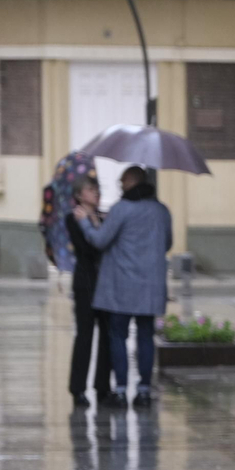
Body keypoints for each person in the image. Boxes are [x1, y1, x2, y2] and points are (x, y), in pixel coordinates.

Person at [76, 166, 172, 409]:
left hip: (122, 287)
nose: (119, 185)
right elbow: (167, 243)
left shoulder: (121, 209)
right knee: (145, 337)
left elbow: (100, 240)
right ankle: (144, 391)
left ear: (132, 182)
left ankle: (120, 390)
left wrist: (86, 222)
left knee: (118, 335)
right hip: (150, 287)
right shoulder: (161, 210)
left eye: (122, 181)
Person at [63, 177, 114, 409]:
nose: (97, 193)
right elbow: (87, 249)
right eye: (91, 190)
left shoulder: (106, 217)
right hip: (85, 284)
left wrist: (100, 224)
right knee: (84, 336)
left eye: (98, 189)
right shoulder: (73, 218)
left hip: (106, 284)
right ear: (80, 195)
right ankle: (78, 389)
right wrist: (95, 228)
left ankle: (103, 388)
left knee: (107, 336)